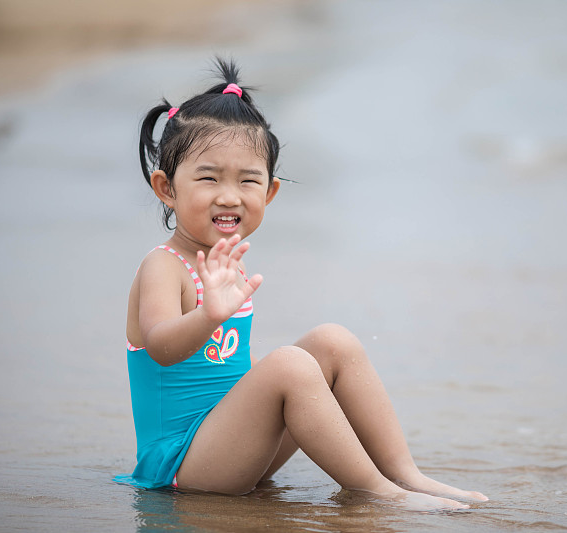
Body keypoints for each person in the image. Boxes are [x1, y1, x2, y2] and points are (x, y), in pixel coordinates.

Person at [117, 58, 488, 511]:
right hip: (180, 468)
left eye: (247, 180)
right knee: (290, 365)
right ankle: (378, 492)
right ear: (165, 188)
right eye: (208, 178)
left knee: (333, 342)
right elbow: (160, 347)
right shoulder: (165, 265)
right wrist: (207, 314)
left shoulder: (226, 261)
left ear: (269, 193)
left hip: (231, 449)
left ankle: (403, 473)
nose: (229, 195)